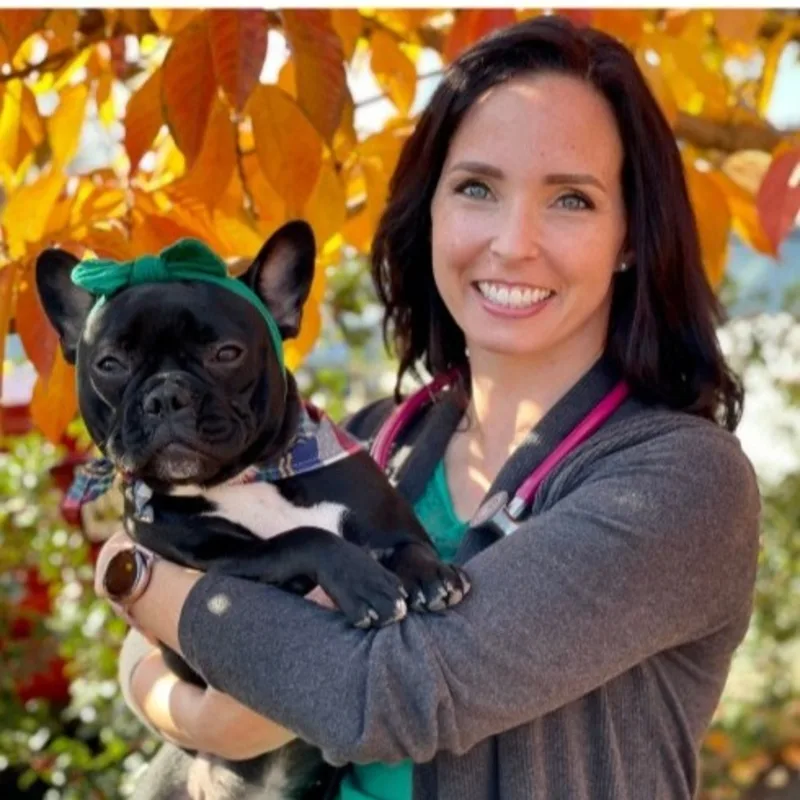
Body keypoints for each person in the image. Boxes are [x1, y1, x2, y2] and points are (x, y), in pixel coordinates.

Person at [97, 15, 760, 800]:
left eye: (572, 200)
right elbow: (157, 644)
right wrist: (186, 708)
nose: (514, 243)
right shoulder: (373, 441)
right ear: (432, 211)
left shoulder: (681, 483)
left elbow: (393, 693)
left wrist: (137, 582)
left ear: (629, 237)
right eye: (477, 187)